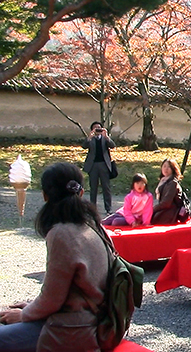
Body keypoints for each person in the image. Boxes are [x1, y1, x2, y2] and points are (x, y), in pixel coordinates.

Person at [0, 162, 109, 351]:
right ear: (81, 192)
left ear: (45, 196)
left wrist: (24, 314)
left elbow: (52, 299)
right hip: (98, 322)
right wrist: (30, 307)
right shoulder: (95, 226)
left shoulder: (61, 234)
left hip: (73, 329)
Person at [81, 121, 116, 214]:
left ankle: (108, 208)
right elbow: (84, 146)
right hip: (93, 165)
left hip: (104, 165)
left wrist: (106, 136)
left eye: (99, 127)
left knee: (106, 188)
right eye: (96, 128)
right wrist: (89, 137)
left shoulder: (105, 139)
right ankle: (92, 209)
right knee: (93, 188)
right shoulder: (90, 139)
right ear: (92, 129)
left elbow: (113, 146)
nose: (98, 130)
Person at [152, 158, 184, 225]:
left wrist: (152, 209)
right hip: (163, 210)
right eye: (164, 166)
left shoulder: (173, 183)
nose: (166, 169)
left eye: (169, 167)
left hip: (169, 213)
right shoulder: (163, 180)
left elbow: (166, 203)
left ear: (173, 169)